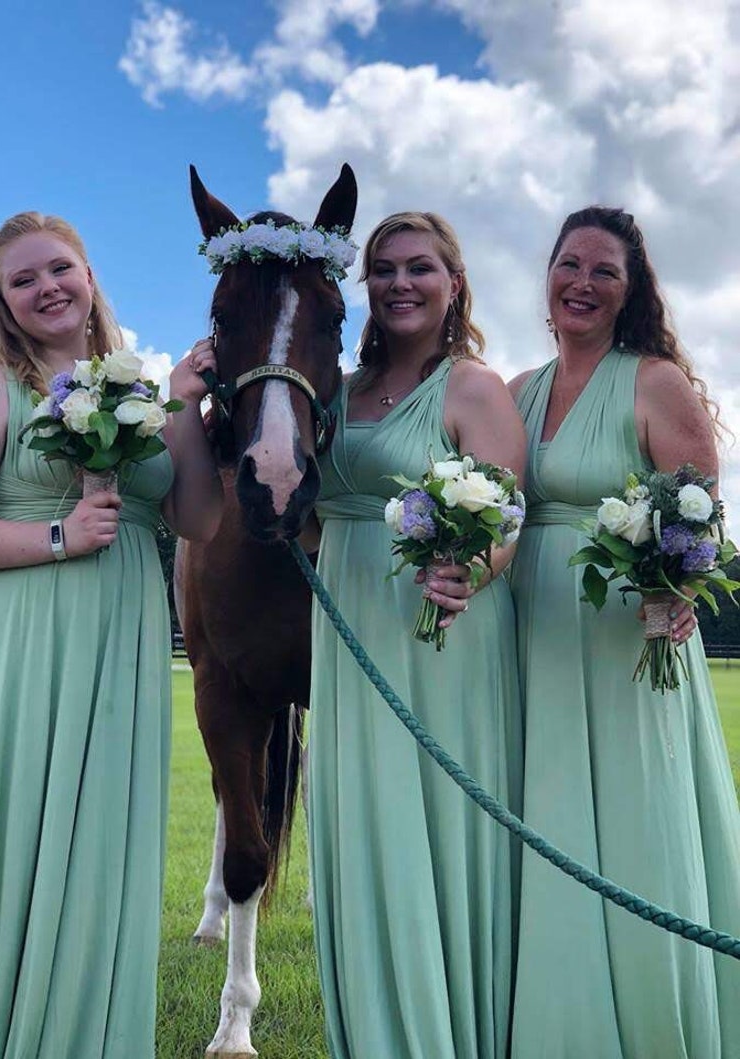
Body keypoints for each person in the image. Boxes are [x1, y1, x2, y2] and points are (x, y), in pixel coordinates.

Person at [0, 211, 222, 1058]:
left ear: (90, 275)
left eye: (59, 268)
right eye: (22, 280)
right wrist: (57, 536)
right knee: (16, 845)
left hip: (121, 646)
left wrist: (180, 408)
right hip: (21, 641)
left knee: (99, 851)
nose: (47, 288)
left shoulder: (138, 389)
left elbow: (201, 518)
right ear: (0, 300)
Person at [508, 206, 740, 1057]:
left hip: (625, 642)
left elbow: (697, 516)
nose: (583, 282)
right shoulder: (514, 392)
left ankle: (649, 1022)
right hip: (525, 638)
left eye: (606, 270)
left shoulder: (654, 383)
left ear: (631, 290)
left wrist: (679, 588)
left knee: (631, 827)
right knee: (544, 817)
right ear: (548, 275)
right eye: (571, 263)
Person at [308, 211, 527, 1058]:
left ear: (454, 282)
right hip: (348, 620)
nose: (401, 283)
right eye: (385, 269)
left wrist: (471, 571)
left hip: (444, 630)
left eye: (420, 268)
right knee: (362, 827)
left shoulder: (473, 386)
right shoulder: (338, 388)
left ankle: (453, 1031)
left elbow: (509, 514)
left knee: (433, 826)